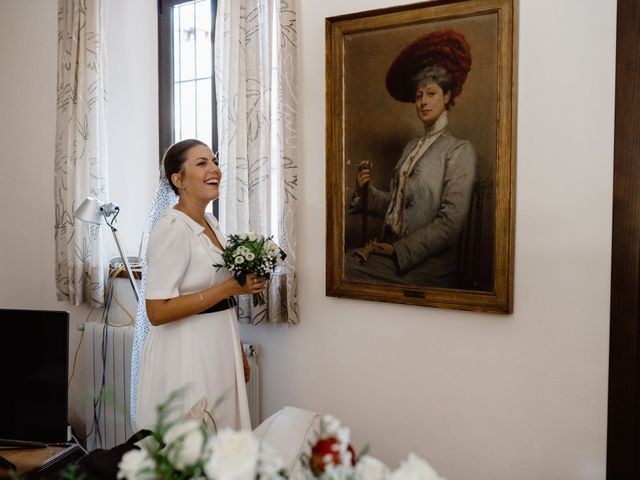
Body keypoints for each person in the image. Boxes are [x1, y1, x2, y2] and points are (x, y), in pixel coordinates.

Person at [135, 139, 266, 431]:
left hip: (218, 344)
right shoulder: (172, 229)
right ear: (178, 179)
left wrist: (238, 352)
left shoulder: (211, 222)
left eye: (215, 161)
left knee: (221, 434)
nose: (214, 169)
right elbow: (156, 312)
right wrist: (229, 288)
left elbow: (221, 298)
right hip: (185, 352)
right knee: (194, 438)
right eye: (202, 163)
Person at [347, 30, 477, 288]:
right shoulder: (411, 148)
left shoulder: (459, 151)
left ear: (447, 96)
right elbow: (400, 205)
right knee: (341, 265)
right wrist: (365, 192)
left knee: (343, 270)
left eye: (431, 93)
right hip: (389, 253)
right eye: (419, 96)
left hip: (426, 266)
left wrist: (397, 251)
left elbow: (450, 224)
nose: (423, 102)